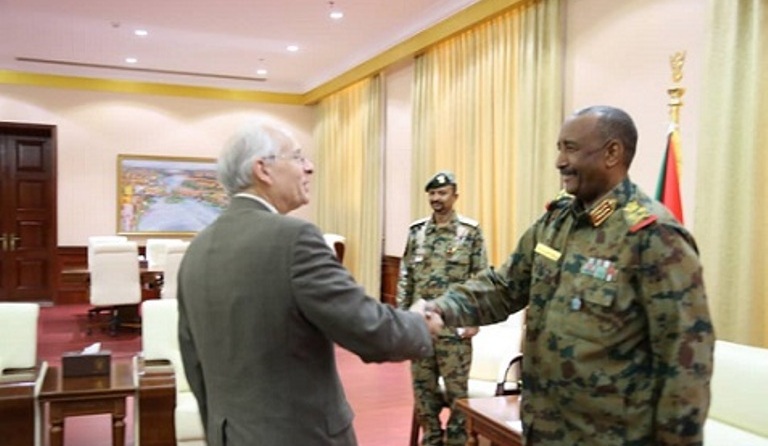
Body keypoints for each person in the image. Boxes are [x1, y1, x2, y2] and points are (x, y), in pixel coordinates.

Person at [418, 105, 715, 445]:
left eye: (570, 148)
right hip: (545, 427)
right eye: (560, 148)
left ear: (612, 153)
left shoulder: (653, 236)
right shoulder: (556, 221)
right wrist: (441, 307)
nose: (560, 160)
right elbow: (504, 287)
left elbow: (686, 359)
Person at [176, 121, 435, 446]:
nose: (309, 167)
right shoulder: (294, 239)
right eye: (298, 157)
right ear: (263, 169)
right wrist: (420, 323)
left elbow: (194, 363)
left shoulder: (197, 250)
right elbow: (371, 330)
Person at [397, 171, 488, 446]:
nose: (436, 199)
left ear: (455, 195)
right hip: (421, 328)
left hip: (455, 329)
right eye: (433, 194)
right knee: (423, 391)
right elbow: (405, 277)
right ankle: (431, 440)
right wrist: (401, 318)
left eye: (442, 193)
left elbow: (481, 278)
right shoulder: (417, 232)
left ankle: (457, 442)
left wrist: (475, 319)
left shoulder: (470, 233)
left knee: (458, 394)